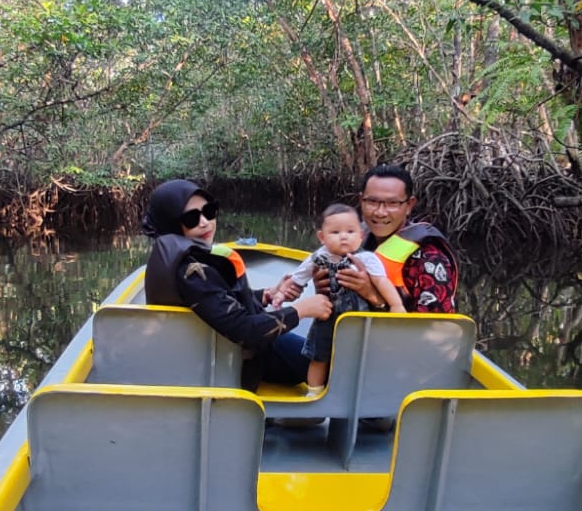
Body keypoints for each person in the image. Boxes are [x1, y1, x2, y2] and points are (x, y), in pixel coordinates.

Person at [142, 179, 331, 392]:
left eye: (209, 211)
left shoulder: (179, 259)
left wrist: (268, 295)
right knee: (328, 364)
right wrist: (303, 310)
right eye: (191, 218)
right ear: (171, 223)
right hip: (230, 362)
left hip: (211, 354)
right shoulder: (190, 271)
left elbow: (218, 301)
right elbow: (244, 330)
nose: (205, 222)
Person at [279, 164, 457, 314]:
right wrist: (322, 288)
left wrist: (372, 296)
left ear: (409, 205)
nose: (380, 212)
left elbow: (432, 334)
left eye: (392, 203)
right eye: (372, 202)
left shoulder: (430, 260)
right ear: (360, 201)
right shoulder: (350, 240)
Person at [268, 203, 406, 391]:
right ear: (322, 237)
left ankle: (354, 395)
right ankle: (313, 393)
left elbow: (382, 282)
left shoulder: (366, 259)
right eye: (335, 232)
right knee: (318, 357)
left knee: (356, 359)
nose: (343, 236)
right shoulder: (317, 258)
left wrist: (396, 304)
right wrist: (281, 294)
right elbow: (297, 279)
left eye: (350, 232)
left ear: (361, 236)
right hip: (326, 318)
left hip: (357, 319)